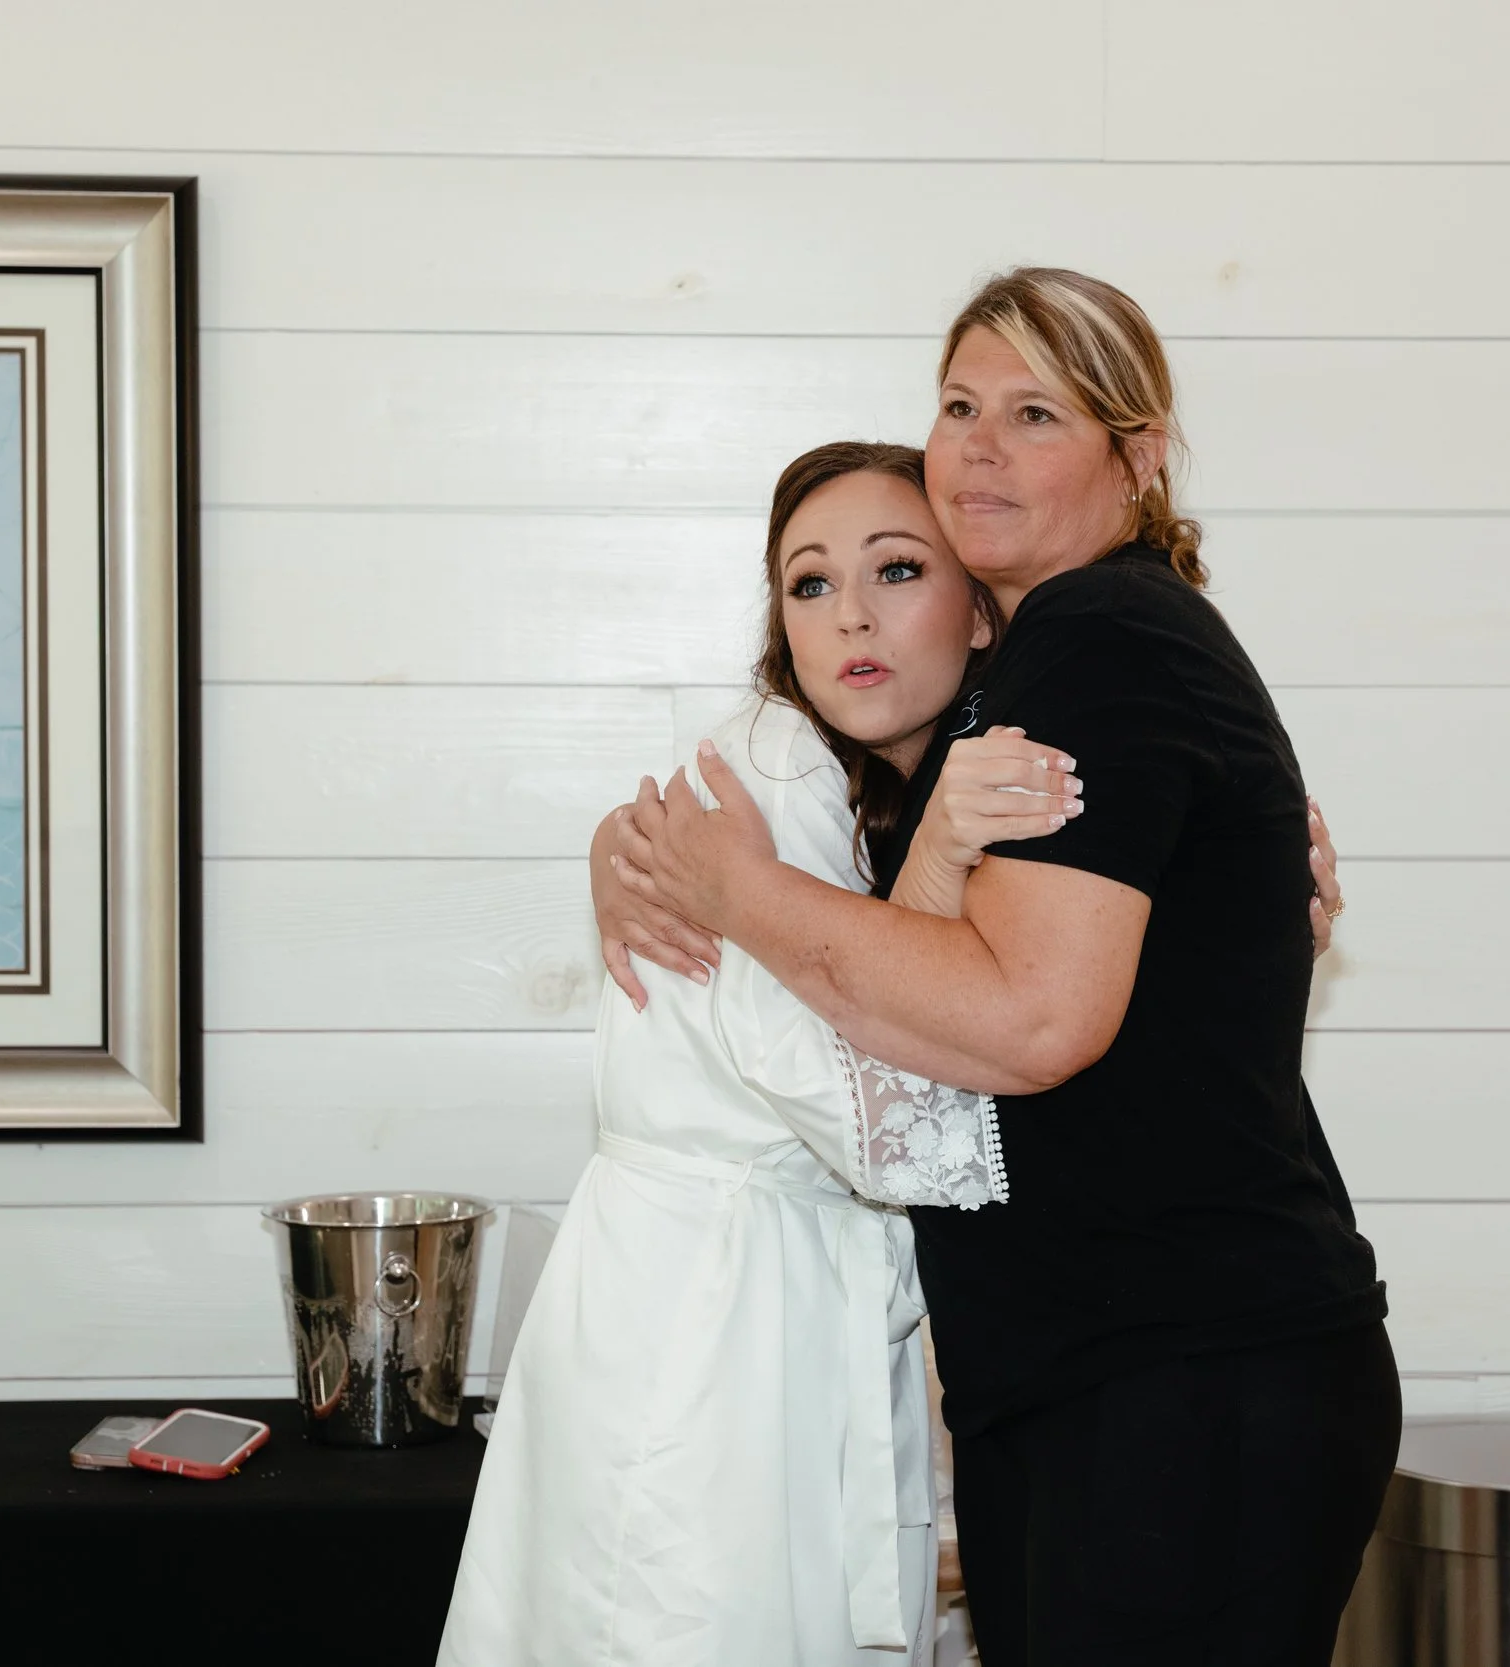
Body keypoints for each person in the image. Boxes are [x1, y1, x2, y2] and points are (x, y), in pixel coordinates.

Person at [608, 268, 1398, 1666]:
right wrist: (632, 847)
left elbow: (1033, 1020)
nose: (976, 444)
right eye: (958, 404)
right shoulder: (1046, 668)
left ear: (1138, 459)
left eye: (1034, 412)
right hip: (1130, 1376)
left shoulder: (1100, 633)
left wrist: (742, 889)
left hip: (1181, 1376)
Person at [439, 441, 1074, 1667]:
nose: (852, 617)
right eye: (809, 584)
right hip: (715, 1330)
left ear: (979, 609)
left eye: (896, 569)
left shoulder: (861, 787)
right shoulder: (777, 772)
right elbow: (883, 1119)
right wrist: (939, 862)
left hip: (710, 1306)